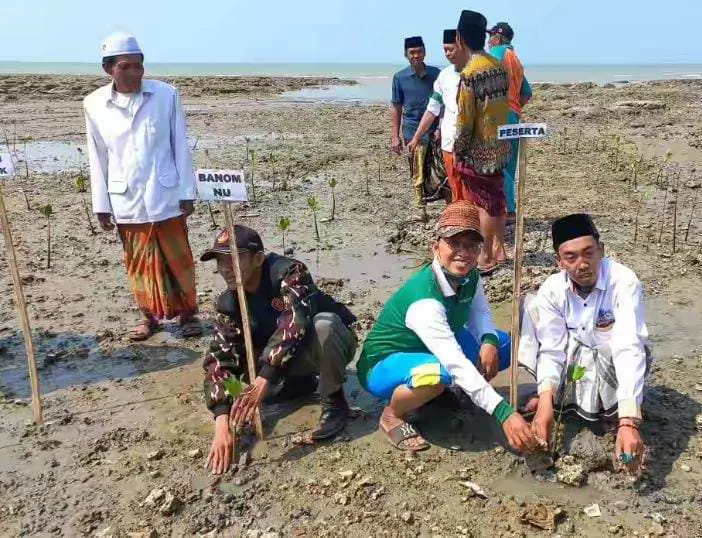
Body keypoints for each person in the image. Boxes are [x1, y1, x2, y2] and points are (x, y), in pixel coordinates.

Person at [356, 201, 536, 453]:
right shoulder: (425, 302)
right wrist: (503, 411)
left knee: (504, 347)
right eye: (454, 243)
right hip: (384, 363)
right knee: (440, 374)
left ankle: (447, 393)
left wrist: (489, 341)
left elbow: (480, 312)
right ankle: (392, 413)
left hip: (436, 346)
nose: (463, 252)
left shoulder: (470, 276)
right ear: (436, 247)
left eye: (471, 245)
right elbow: (454, 361)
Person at [201, 225, 357, 475]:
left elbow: (295, 323)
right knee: (233, 377)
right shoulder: (229, 302)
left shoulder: (289, 273)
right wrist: (222, 419)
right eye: (220, 261)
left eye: (233, 258)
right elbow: (219, 358)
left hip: (317, 347)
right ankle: (294, 386)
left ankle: (334, 398)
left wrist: (265, 379)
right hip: (275, 365)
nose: (226, 268)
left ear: (258, 258)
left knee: (324, 326)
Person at [83, 32, 201, 341]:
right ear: (109, 69)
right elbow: (97, 157)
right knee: (138, 263)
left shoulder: (166, 95)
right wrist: (101, 204)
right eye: (127, 67)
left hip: (166, 193)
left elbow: (180, 146)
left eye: (139, 66)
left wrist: (187, 191)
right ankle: (148, 317)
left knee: (178, 259)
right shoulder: (93, 104)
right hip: (126, 198)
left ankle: (188, 314)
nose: (136, 73)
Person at [519, 214, 651, 475]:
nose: (582, 264)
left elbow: (628, 347)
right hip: (573, 359)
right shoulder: (553, 289)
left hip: (608, 360)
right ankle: (552, 401)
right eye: (571, 257)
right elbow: (552, 349)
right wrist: (546, 399)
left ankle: (613, 411)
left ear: (601, 250)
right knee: (530, 308)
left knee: (620, 352)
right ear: (559, 261)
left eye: (588, 253)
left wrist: (629, 421)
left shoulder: (623, 282)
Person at [453, 10, 511, 273]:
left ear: (460, 39)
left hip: (479, 149)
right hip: (499, 144)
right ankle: (500, 250)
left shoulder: (470, 74)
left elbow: (465, 120)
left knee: (483, 204)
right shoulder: (498, 66)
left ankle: (485, 256)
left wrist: (459, 150)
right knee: (497, 200)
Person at [407, 29, 469, 203]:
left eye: (451, 49)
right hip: (449, 144)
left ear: (462, 46)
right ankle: (460, 223)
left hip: (472, 146)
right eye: (445, 50)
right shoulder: (444, 76)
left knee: (472, 189)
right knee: (454, 186)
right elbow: (432, 109)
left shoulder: (476, 72)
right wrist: (416, 137)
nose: (448, 53)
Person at [391, 36, 441, 222]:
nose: (416, 55)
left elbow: (444, 104)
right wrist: (394, 136)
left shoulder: (437, 74)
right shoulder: (399, 78)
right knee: (417, 171)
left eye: (419, 51)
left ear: (425, 52)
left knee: (441, 170)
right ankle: (421, 210)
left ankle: (449, 207)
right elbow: (396, 107)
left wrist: (441, 127)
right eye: (412, 52)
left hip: (436, 131)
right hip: (412, 132)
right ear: (406, 55)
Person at [487, 22, 533, 221]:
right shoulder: (516, 59)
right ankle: (511, 207)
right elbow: (527, 93)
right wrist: (513, 106)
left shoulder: (497, 53)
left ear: (497, 37)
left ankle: (506, 210)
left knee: (498, 163)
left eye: (491, 37)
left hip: (498, 112)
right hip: (513, 113)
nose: (488, 41)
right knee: (509, 164)